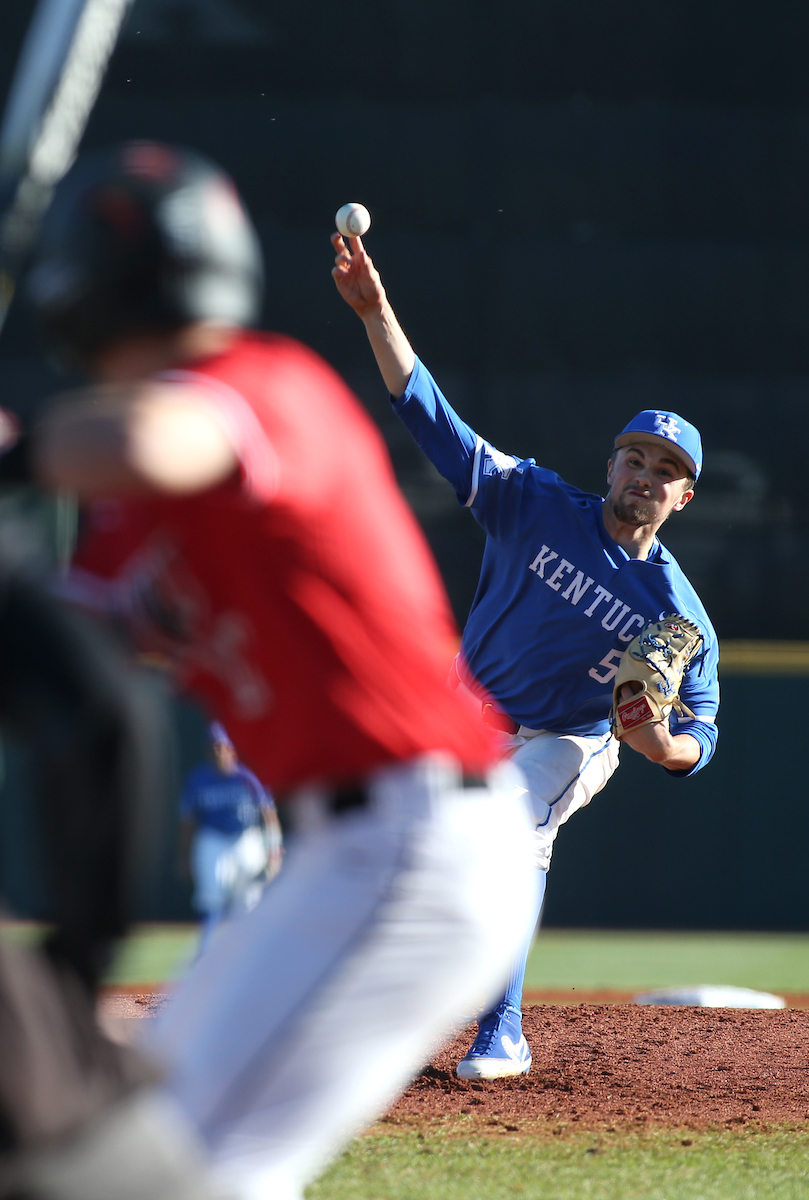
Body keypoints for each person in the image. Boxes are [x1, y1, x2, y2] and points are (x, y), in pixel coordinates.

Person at [18, 140, 537, 1200]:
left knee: (177, 1176)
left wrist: (16, 449)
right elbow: (57, 655)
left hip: (413, 844)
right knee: (123, 1137)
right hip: (336, 858)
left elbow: (159, 436)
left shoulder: (262, 384)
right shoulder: (126, 519)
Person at [331, 230, 720, 1080]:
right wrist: (376, 311)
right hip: (459, 714)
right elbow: (431, 417)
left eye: (666, 470)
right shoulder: (532, 502)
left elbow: (700, 734)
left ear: (683, 497)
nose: (645, 475)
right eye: (635, 457)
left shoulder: (676, 613)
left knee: (507, 837)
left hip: (566, 739)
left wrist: (658, 744)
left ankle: (500, 1030)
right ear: (609, 463)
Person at [179, 721, 282, 951]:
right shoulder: (197, 780)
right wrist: (185, 855)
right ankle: (204, 952)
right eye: (215, 747)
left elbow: (269, 815)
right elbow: (188, 821)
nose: (220, 752)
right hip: (213, 839)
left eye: (224, 746)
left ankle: (250, 952)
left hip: (246, 839)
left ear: (233, 748)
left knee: (248, 901)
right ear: (208, 749)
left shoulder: (249, 776)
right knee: (212, 898)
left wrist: (275, 850)